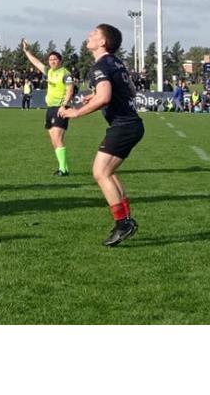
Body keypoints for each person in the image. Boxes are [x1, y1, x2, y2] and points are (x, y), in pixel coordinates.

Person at [56, 23, 144, 246]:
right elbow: (130, 91)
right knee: (109, 172)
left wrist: (75, 113)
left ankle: (123, 223)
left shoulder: (100, 66)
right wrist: (94, 94)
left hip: (123, 125)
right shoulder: (116, 63)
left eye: (94, 34)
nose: (89, 35)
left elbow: (105, 97)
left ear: (103, 42)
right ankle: (126, 220)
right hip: (131, 124)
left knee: (100, 172)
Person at [21, 39, 76, 177]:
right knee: (53, 140)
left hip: (60, 108)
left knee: (57, 138)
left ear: (60, 61)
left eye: (55, 59)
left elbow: (70, 90)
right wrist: (27, 51)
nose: (52, 61)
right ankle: (64, 168)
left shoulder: (66, 74)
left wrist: (64, 106)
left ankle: (63, 170)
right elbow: (36, 62)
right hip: (50, 109)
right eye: (50, 59)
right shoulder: (49, 71)